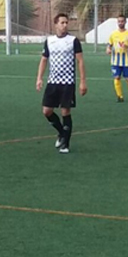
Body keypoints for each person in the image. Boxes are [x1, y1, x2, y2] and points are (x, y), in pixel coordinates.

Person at [36, 13, 88, 154]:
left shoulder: (73, 41)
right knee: (47, 111)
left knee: (65, 111)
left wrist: (82, 82)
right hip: (53, 82)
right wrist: (39, 78)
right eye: (62, 22)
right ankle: (61, 133)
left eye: (66, 22)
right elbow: (44, 59)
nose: (65, 25)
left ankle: (65, 144)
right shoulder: (49, 41)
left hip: (68, 82)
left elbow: (80, 61)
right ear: (56, 24)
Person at [106, 14, 128, 103]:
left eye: (122, 21)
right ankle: (120, 96)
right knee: (117, 77)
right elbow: (109, 44)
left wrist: (127, 46)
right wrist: (108, 49)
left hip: (126, 61)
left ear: (125, 22)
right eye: (119, 21)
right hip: (115, 60)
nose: (120, 23)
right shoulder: (113, 34)